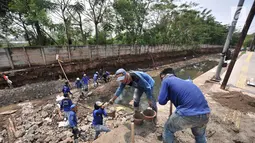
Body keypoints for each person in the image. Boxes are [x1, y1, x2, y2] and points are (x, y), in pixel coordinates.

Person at [158, 68, 210, 143]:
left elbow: (161, 101)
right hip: (205, 113)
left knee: (168, 128)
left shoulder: (166, 80)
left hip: (188, 113)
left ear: (163, 76)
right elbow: (189, 81)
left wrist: (167, 95)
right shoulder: (185, 82)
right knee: (200, 135)